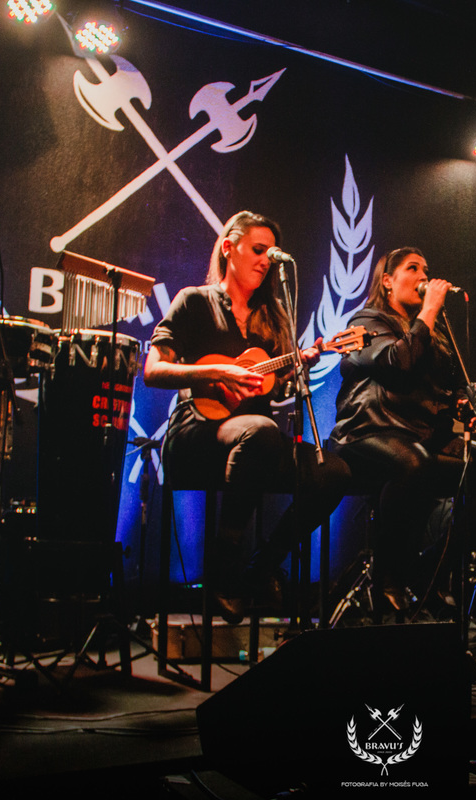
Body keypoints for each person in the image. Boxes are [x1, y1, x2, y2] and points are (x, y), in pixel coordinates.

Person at [144, 211, 350, 623]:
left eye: (270, 256)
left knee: (334, 472)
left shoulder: (274, 316)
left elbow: (279, 392)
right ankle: (224, 567)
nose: (265, 261)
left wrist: (297, 367)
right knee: (260, 431)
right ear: (228, 248)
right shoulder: (194, 301)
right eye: (258, 250)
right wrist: (215, 372)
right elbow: (153, 371)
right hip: (196, 430)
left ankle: (260, 567)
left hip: (256, 440)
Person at [329, 247, 476, 614]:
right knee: (414, 462)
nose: (423, 276)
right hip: (370, 432)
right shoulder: (369, 320)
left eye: (426, 269)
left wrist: (462, 400)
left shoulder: (433, 334)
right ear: (387, 281)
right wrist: (429, 310)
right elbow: (397, 364)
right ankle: (388, 573)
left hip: (420, 438)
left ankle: (431, 569)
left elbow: (439, 391)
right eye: (412, 268)